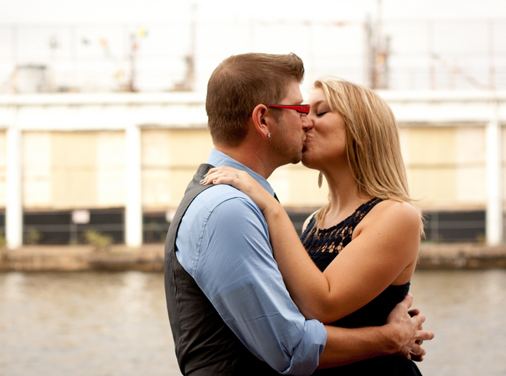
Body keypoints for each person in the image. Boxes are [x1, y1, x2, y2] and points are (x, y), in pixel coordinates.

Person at [164, 53, 433, 375]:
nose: (306, 121)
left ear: (362, 129)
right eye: (301, 110)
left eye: (318, 111)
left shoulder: (395, 215)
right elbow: (291, 325)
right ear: (263, 120)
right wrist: (389, 337)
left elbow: (321, 306)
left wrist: (272, 208)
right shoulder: (307, 222)